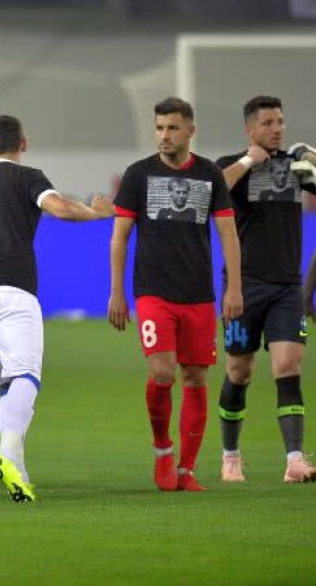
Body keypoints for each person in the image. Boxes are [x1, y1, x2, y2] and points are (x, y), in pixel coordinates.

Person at [0, 115, 113, 502]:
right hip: (12, 290)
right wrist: (99, 212)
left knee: (9, 385)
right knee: (26, 378)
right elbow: (60, 209)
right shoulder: (28, 177)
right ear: (22, 144)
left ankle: (20, 472)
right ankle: (6, 454)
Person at [215, 96, 316, 484]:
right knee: (239, 371)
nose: (277, 128)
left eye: (281, 121)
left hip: (286, 287)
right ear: (250, 129)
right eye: (269, 123)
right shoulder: (231, 164)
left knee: (288, 367)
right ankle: (230, 456)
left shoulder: (297, 166)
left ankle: (294, 460)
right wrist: (247, 162)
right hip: (243, 286)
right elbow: (213, 193)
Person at [108, 97, 243, 493]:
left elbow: (228, 233)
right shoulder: (138, 175)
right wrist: (117, 292)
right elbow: (120, 236)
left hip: (198, 294)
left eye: (171, 128)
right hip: (153, 291)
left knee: (196, 377)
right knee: (163, 372)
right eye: (159, 128)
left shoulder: (210, 175)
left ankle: (186, 469)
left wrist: (234, 287)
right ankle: (163, 449)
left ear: (190, 131)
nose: (163, 136)